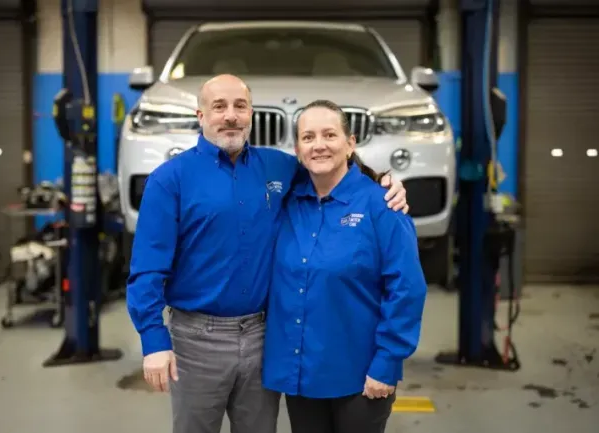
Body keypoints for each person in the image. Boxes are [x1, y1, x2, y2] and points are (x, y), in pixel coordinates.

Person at [126, 74, 409, 433]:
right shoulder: (170, 180)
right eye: (219, 107)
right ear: (200, 116)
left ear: (251, 115)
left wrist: (384, 183)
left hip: (264, 339)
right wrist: (153, 340)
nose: (230, 115)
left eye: (240, 106)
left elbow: (330, 170)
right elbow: (147, 269)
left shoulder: (278, 167)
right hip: (197, 341)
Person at [262, 99, 428, 433]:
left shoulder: (381, 206)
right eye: (308, 137)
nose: (319, 145)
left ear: (350, 143)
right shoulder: (288, 203)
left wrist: (387, 362)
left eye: (329, 135)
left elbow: (406, 289)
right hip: (302, 375)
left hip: (359, 376)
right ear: (297, 148)